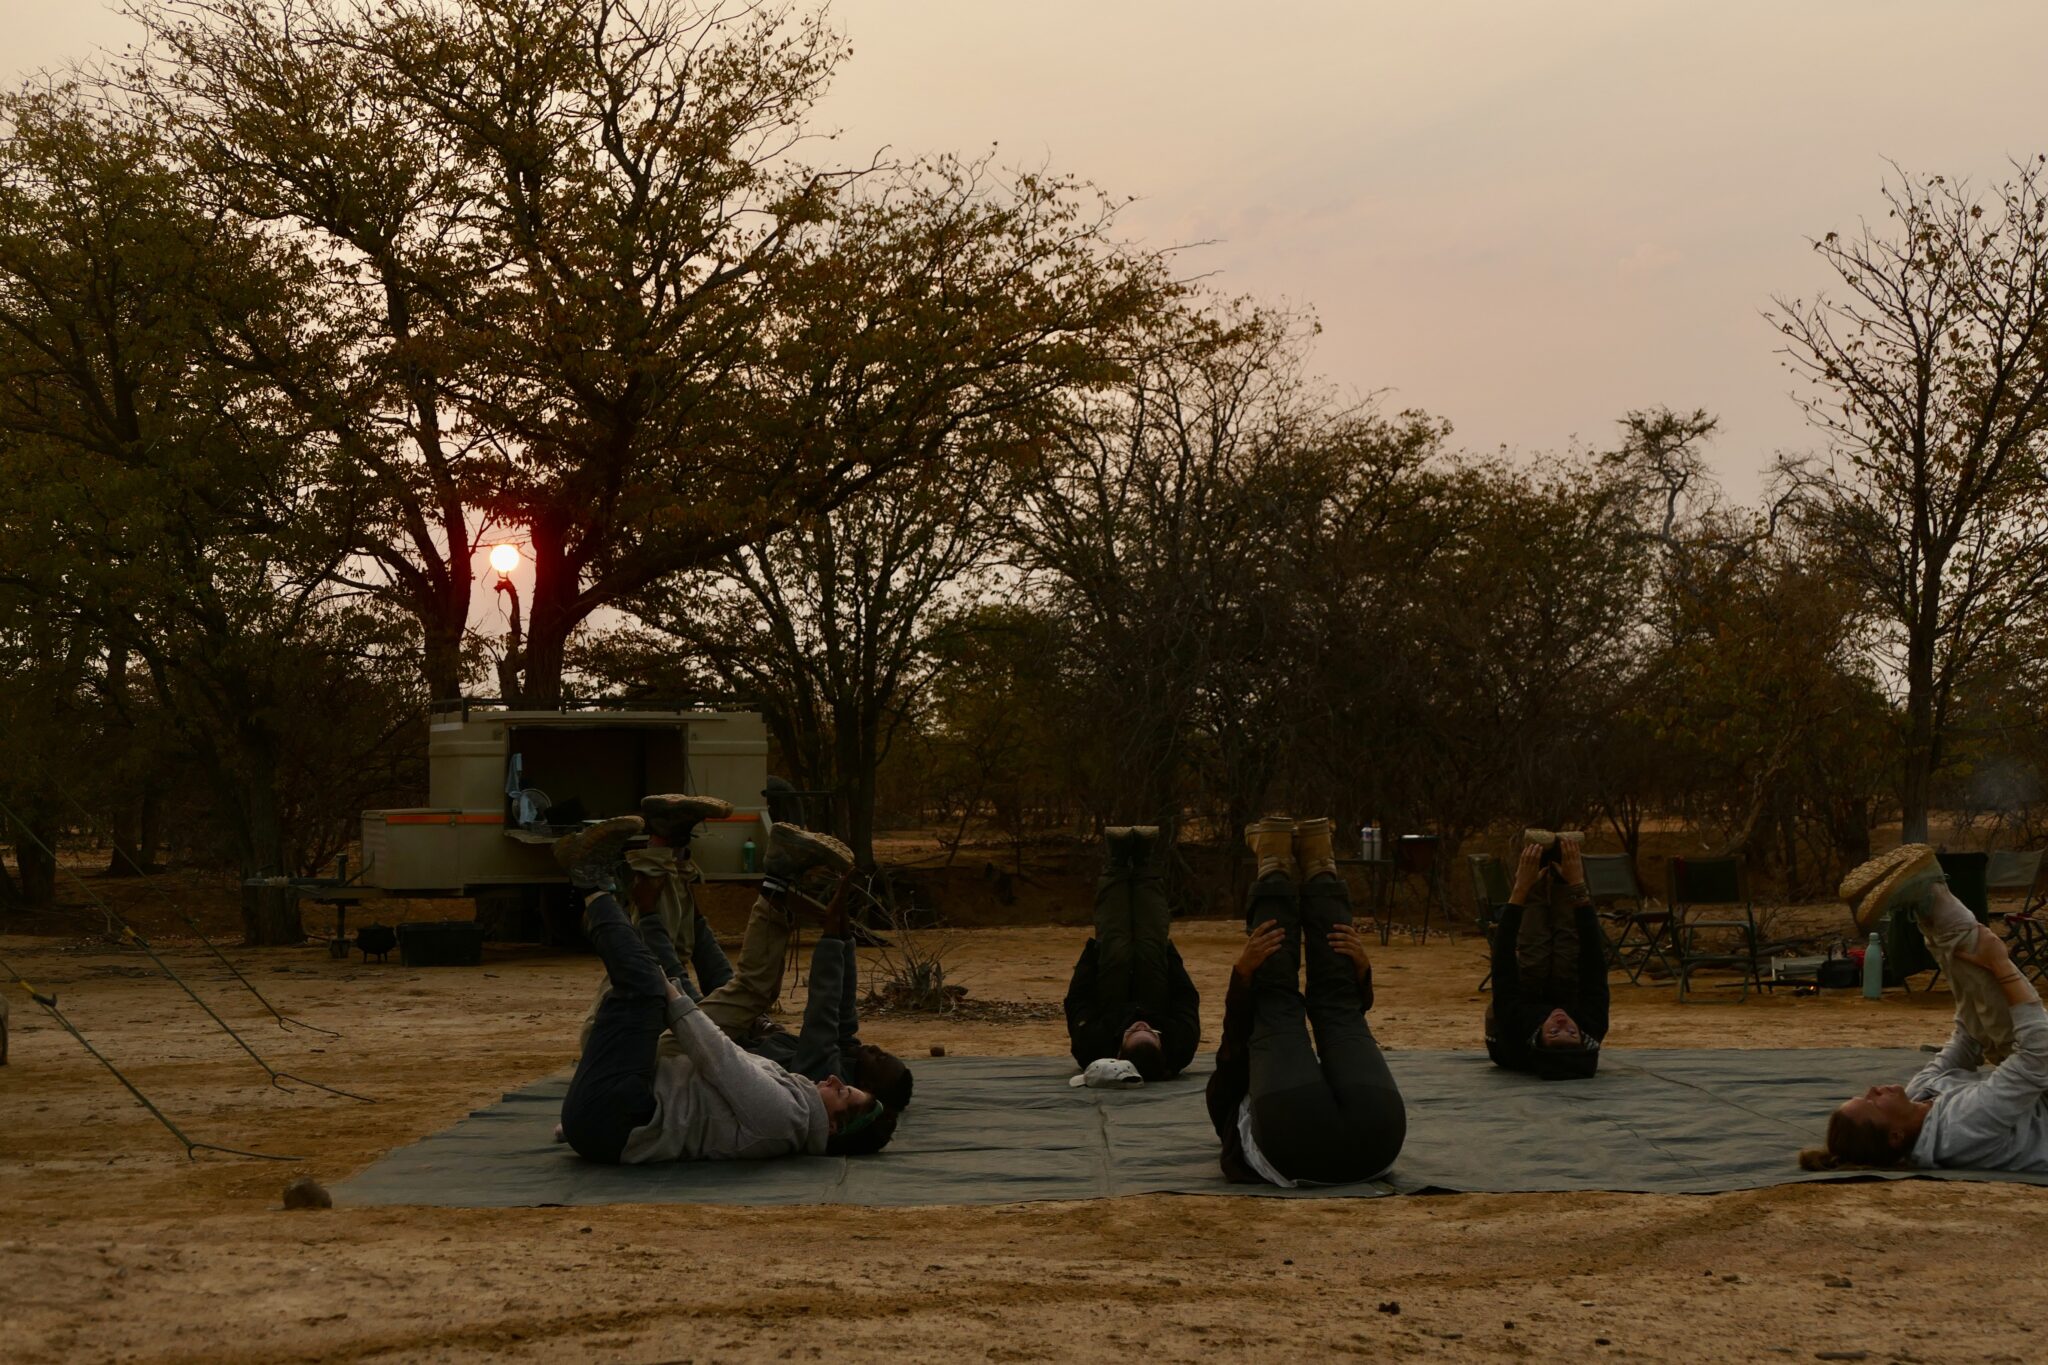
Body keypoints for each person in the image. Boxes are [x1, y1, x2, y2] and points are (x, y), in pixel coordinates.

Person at [553, 815, 897, 1164]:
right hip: (621, 1103)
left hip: (617, 1114)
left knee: (648, 982)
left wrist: (668, 990)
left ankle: (594, 881)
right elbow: (840, 1017)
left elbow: (721, 1057)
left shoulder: (782, 1116)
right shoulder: (798, 1099)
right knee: (668, 978)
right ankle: (655, 863)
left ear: (833, 1127)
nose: (836, 1079)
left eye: (843, 1093)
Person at [1803, 848, 2047, 1172]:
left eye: (1865, 1094)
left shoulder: (1919, 1096)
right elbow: (2038, 1056)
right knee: (2006, 1027)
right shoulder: (1960, 1128)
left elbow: (1966, 1039)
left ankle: (1929, 908)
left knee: (1983, 1010)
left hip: (2039, 1082)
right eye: (1873, 1102)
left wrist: (1960, 968)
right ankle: (1935, 898)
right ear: (1896, 1136)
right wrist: (1999, 964)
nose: (1874, 1089)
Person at [1205, 815, 1406, 1186]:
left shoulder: (1241, 1097)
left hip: (1373, 1142)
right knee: (1309, 1003)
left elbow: (1234, 1057)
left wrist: (1243, 981)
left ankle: (1308, 866)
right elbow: (1233, 1053)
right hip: (1361, 1136)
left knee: (1318, 1004)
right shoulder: (1266, 1085)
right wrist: (1359, 973)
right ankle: (1290, 863)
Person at [1063, 825, 1201, 1081]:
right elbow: (1185, 999)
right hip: (1156, 985)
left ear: (1119, 1050)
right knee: (1151, 941)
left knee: (1115, 945)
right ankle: (1144, 862)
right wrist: (1169, 954)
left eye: (1133, 1032)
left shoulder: (1091, 1049)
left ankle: (1116, 861)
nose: (1141, 1025)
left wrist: (1092, 955)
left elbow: (1078, 1002)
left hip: (1109, 989)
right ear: (1161, 1043)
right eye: (1151, 1032)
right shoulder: (1181, 1045)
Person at [1484, 831, 1609, 1079]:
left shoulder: (1514, 1025)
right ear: (1583, 1036)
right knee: (1567, 963)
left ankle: (1537, 870)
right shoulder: (1592, 1023)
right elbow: (1594, 963)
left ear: (1538, 1038)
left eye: (1553, 1033)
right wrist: (1577, 887)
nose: (1562, 1024)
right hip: (1566, 993)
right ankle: (1561, 871)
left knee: (1534, 964)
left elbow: (1503, 964)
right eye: (1572, 1033)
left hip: (1520, 1000)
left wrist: (1520, 889)